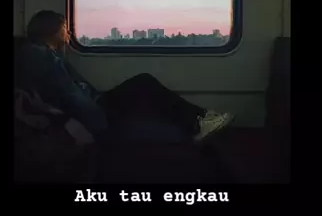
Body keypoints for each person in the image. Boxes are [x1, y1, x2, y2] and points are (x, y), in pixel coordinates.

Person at [15, 10, 234, 143]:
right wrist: (98, 125)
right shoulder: (40, 56)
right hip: (92, 112)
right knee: (144, 84)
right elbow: (69, 94)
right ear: (52, 29)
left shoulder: (46, 54)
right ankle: (200, 121)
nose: (69, 34)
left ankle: (200, 120)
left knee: (144, 86)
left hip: (93, 103)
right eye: (65, 28)